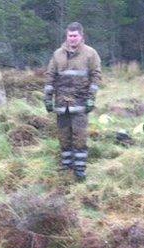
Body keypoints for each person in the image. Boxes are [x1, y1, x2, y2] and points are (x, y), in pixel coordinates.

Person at [44, 22, 102, 180]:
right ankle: (66, 166)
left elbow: (96, 76)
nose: (72, 39)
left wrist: (91, 98)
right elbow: (50, 76)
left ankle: (80, 169)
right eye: (70, 36)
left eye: (75, 36)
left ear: (81, 36)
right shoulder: (57, 54)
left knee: (80, 137)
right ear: (66, 36)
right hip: (62, 104)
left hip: (81, 103)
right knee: (63, 136)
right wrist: (48, 98)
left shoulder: (91, 54)